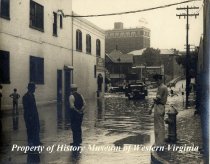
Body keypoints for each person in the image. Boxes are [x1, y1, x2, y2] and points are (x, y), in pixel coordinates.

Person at [148, 74, 168, 146]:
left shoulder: (161, 88)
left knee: (158, 126)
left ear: (159, 80)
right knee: (161, 125)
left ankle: (159, 144)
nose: (156, 82)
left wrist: (151, 108)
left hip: (159, 107)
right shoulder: (164, 87)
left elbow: (157, 99)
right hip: (162, 107)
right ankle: (161, 142)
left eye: (156, 81)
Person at [22, 82, 41, 147]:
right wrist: (29, 116)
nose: (34, 90)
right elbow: (26, 108)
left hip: (34, 115)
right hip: (29, 116)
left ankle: (37, 141)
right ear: (30, 88)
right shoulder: (25, 96)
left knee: (36, 128)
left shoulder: (32, 95)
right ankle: (30, 142)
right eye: (33, 88)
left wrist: (36, 114)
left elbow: (34, 106)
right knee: (30, 129)